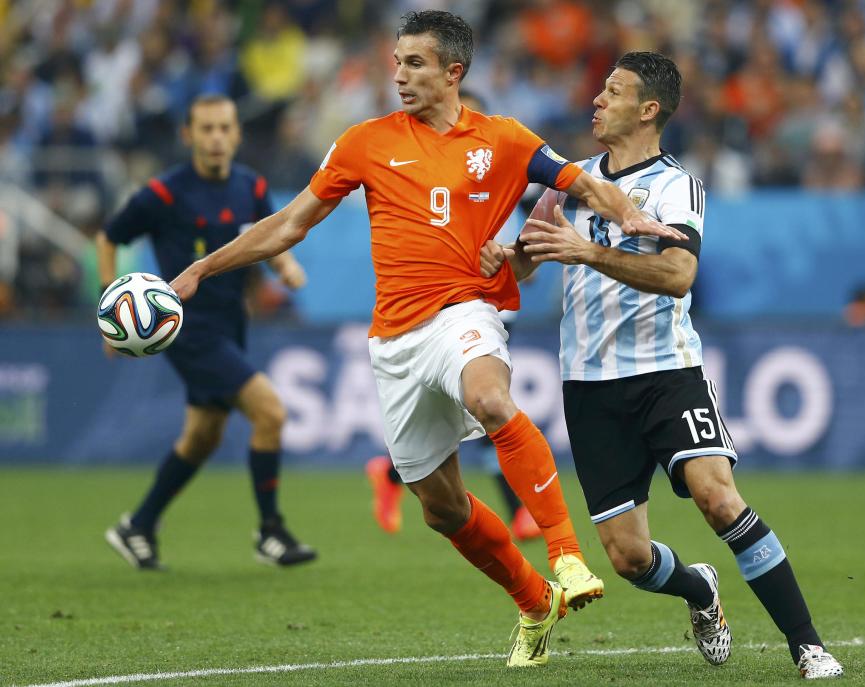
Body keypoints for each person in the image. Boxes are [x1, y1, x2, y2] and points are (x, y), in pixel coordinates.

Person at [169, 11, 686, 667]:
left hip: (465, 309)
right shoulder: (364, 142)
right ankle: (533, 600)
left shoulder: (501, 139)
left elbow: (584, 182)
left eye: (415, 64)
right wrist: (202, 266)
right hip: (395, 341)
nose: (400, 76)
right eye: (396, 63)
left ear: (453, 72)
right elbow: (290, 222)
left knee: (493, 400)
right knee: (441, 509)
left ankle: (566, 557)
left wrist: (633, 213)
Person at [480, 52, 844, 679]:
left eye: (612, 91)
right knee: (626, 558)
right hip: (588, 385)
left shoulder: (677, 186)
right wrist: (502, 257)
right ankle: (700, 590)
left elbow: (679, 275)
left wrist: (587, 252)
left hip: (665, 373)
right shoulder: (572, 180)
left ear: (648, 110)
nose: (596, 100)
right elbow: (528, 260)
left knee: (717, 498)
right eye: (599, 89)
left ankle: (808, 644)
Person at [98, 94, 316, 570]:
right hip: (187, 329)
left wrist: (285, 263)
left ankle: (138, 525)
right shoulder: (164, 193)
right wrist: (112, 310)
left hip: (231, 322)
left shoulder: (251, 186)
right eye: (206, 129)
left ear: (237, 134)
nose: (216, 138)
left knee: (202, 437)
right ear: (189, 135)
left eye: (224, 128)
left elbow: (266, 232)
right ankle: (271, 532)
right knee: (271, 412)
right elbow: (109, 236)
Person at [364, 89, 540, 543]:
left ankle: (389, 473)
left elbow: (528, 271)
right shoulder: (433, 185)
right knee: (485, 412)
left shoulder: (511, 184)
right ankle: (522, 512)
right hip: (453, 318)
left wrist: (512, 258)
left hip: (498, 319)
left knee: (483, 416)